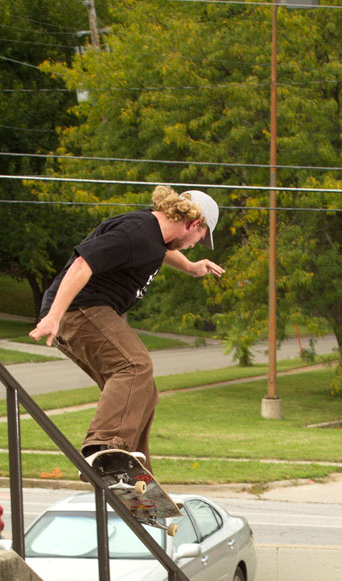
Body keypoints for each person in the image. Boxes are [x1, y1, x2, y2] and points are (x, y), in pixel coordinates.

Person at [28, 185, 224, 470]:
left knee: (145, 389)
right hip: (79, 310)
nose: (194, 244)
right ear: (193, 224)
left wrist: (191, 267)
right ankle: (106, 447)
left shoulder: (155, 238)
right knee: (134, 366)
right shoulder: (136, 232)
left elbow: (161, 253)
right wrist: (54, 316)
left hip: (86, 312)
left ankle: (132, 467)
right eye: (199, 239)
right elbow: (83, 263)